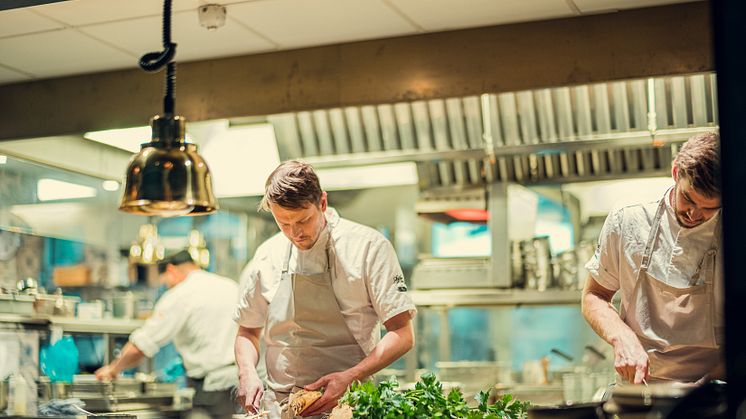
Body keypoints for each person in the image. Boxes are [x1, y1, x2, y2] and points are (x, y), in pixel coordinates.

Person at [233, 160, 416, 417]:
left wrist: (352, 376)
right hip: (280, 408)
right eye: (283, 223)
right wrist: (247, 373)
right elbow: (248, 330)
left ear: (322, 203)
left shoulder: (368, 247)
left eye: (303, 220)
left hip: (348, 406)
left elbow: (402, 334)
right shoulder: (267, 255)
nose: (294, 233)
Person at [582, 131, 723, 385]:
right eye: (687, 199)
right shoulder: (628, 218)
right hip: (640, 390)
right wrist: (620, 337)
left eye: (708, 209)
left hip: (715, 394)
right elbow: (594, 296)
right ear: (675, 173)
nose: (693, 213)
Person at [95, 250, 240, 418]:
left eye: (165, 283)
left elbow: (141, 345)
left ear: (171, 270)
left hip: (212, 389)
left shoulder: (180, 294)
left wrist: (113, 369)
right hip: (243, 382)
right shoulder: (229, 285)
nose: (166, 287)